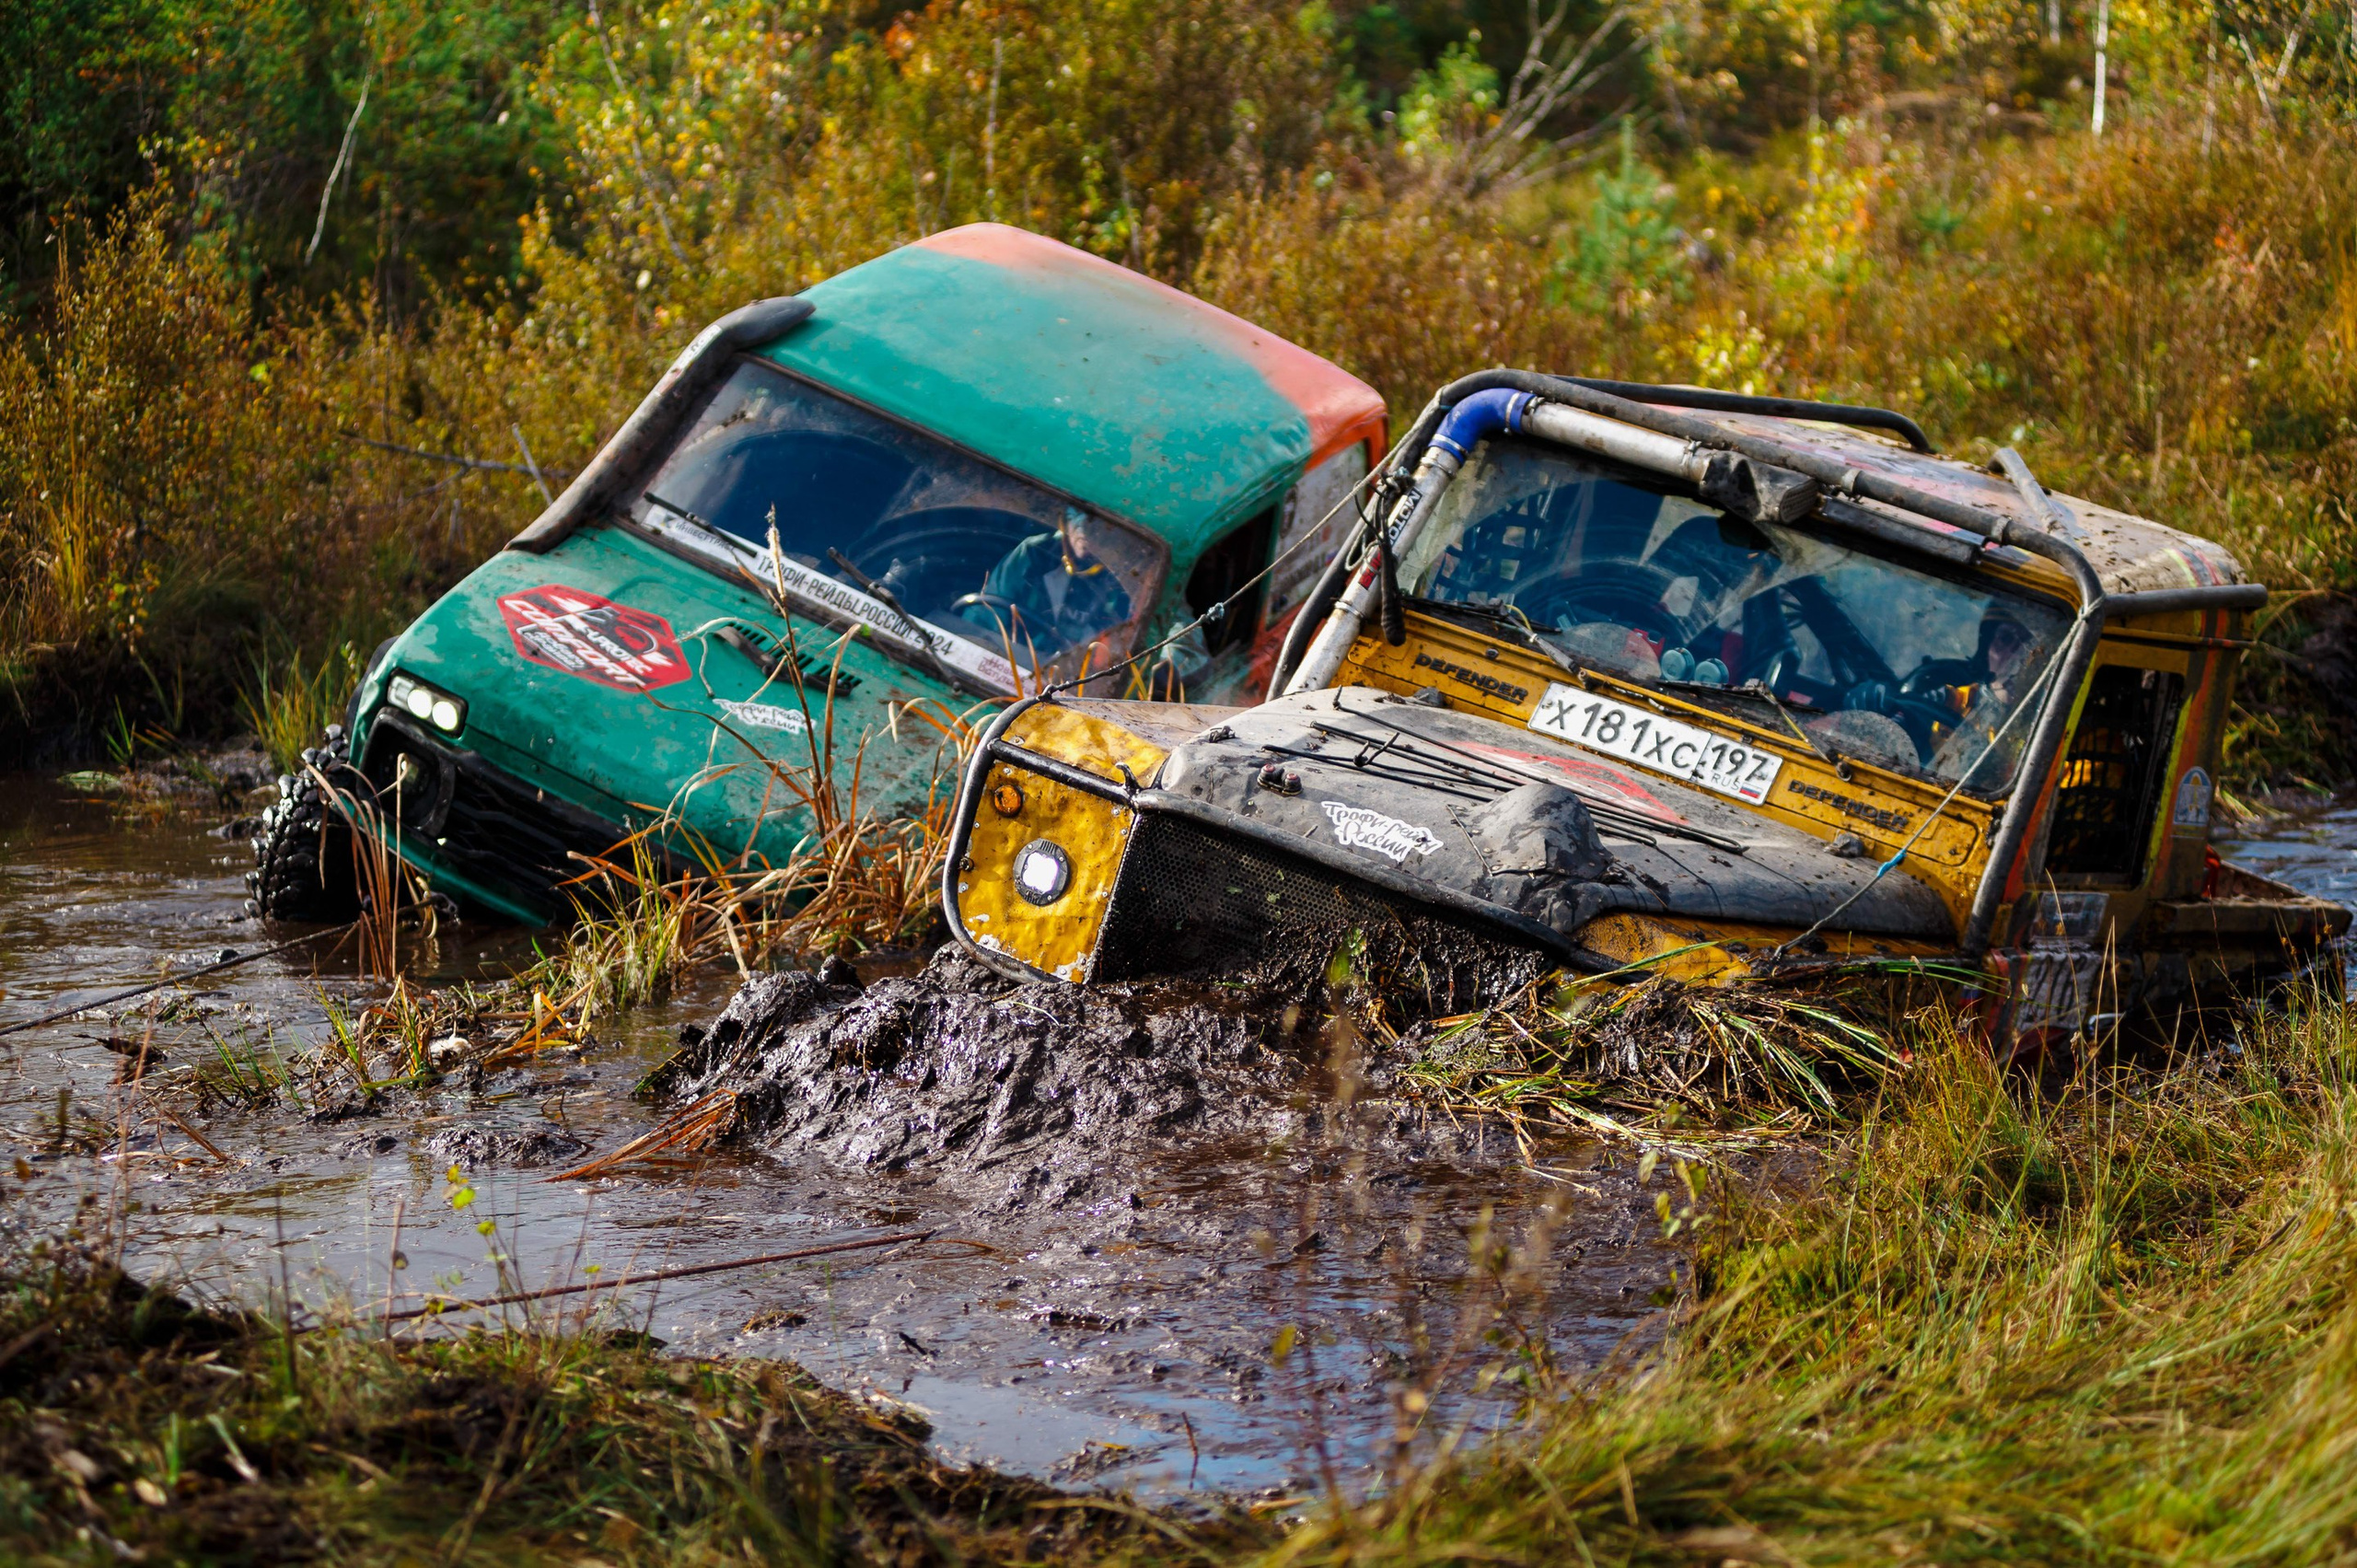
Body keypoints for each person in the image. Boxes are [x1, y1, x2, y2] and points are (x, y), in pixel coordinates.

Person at [969, 507, 1133, 656]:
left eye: (1098, 525)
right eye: (1080, 517)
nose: (1085, 529)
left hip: (1069, 683)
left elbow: (1113, 655)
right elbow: (985, 616)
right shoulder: (1033, 553)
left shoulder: (1123, 582)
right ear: (1066, 521)